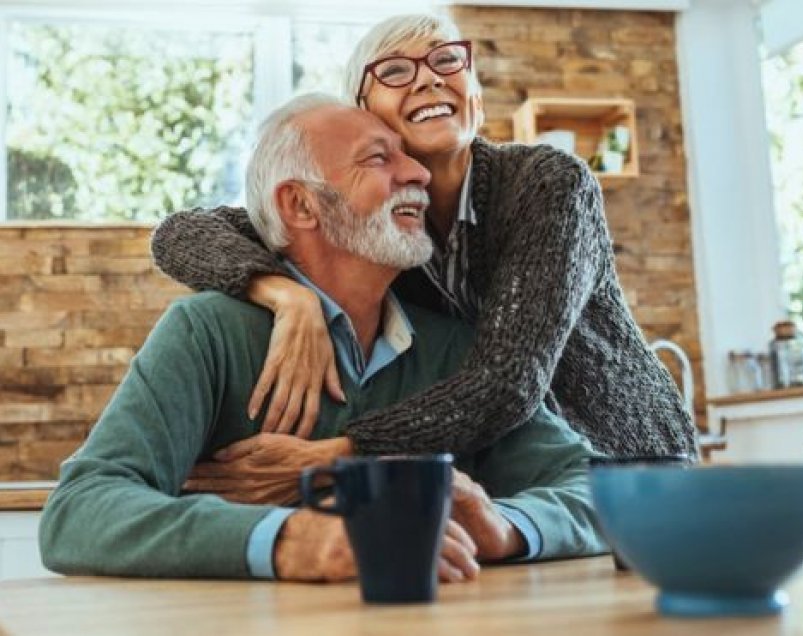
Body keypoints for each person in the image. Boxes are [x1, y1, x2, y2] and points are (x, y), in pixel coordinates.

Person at [39, 95, 608, 583]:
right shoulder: (207, 333)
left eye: (408, 157)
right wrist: (293, 540)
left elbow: (596, 490)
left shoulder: (455, 349)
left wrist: (506, 526)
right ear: (300, 204)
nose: (418, 174)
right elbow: (79, 510)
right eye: (379, 159)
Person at [151, 14, 698, 471]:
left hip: (630, 464)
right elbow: (182, 232)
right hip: (519, 476)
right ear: (365, 115)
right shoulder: (375, 226)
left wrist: (340, 453)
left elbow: (505, 383)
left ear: (476, 98)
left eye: (446, 60)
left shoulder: (548, 184)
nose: (429, 79)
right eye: (394, 70)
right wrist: (283, 295)